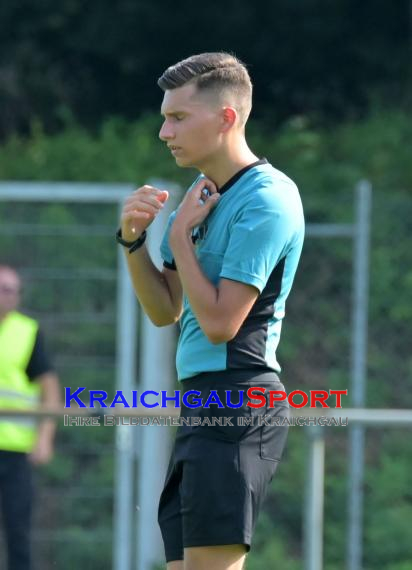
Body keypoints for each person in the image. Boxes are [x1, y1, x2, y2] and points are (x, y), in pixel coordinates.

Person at [118, 52, 304, 570]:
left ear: (226, 118)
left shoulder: (268, 197)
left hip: (239, 402)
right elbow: (165, 310)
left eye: (178, 117)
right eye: (164, 117)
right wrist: (133, 243)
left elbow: (222, 324)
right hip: (201, 404)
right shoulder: (199, 199)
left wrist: (178, 235)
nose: (163, 132)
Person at [0, 265, 61, 570]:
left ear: (18, 296)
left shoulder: (27, 332)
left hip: (14, 451)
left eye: (9, 289)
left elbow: (49, 389)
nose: (3, 295)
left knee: (17, 532)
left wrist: (44, 437)